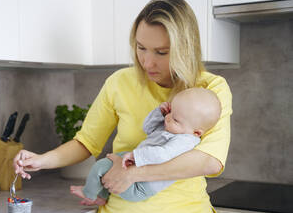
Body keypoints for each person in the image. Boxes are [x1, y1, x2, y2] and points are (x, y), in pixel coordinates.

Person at [13, 0, 232, 213]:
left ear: (185, 47)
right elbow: (86, 142)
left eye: (161, 52)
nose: (147, 62)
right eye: (141, 48)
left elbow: (209, 161)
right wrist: (42, 160)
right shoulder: (119, 82)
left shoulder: (210, 89)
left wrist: (136, 173)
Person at [70, 87, 221, 206]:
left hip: (141, 186)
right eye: (171, 112)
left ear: (196, 132)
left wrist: (135, 156)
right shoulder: (176, 127)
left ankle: (88, 194)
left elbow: (163, 155)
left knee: (100, 167)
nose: (168, 118)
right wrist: (158, 113)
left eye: (175, 118)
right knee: (105, 166)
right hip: (138, 162)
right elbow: (147, 128)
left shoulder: (186, 141)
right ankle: (101, 197)